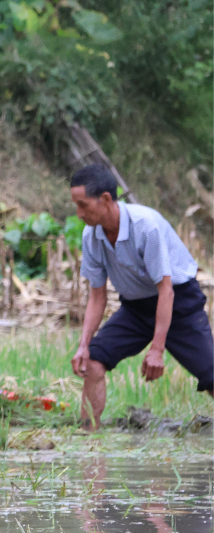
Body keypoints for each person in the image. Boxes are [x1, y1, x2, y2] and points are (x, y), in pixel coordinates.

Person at [69, 163, 213, 429]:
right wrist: (83, 344)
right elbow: (97, 296)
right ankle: (87, 439)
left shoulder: (146, 225)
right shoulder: (91, 236)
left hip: (178, 303)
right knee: (93, 362)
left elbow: (166, 290)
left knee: (211, 376)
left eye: (83, 205)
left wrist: (157, 349)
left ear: (105, 199)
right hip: (136, 308)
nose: (79, 213)